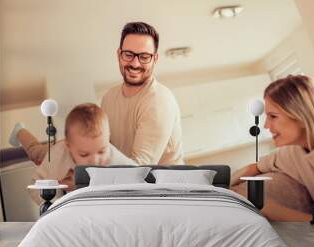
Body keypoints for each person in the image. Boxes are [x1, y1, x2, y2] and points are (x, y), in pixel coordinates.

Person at [231, 75, 314, 221]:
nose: (266, 126)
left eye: (273, 116)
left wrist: (262, 205)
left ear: (302, 115)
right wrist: (224, 188)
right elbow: (255, 167)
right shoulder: (292, 152)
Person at [9, 103, 135, 204]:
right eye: (84, 154)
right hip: (54, 155)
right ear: (68, 146)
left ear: (108, 139)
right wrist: (59, 189)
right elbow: (35, 187)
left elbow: (138, 175)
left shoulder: (112, 155)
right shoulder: (57, 157)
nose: (95, 160)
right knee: (36, 152)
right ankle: (19, 131)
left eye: (101, 151)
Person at [101, 22, 184, 165]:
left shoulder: (160, 100)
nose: (135, 64)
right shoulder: (108, 98)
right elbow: (103, 150)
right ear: (119, 54)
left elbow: (141, 169)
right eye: (128, 54)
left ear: (155, 59)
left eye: (144, 56)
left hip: (165, 185)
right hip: (126, 181)